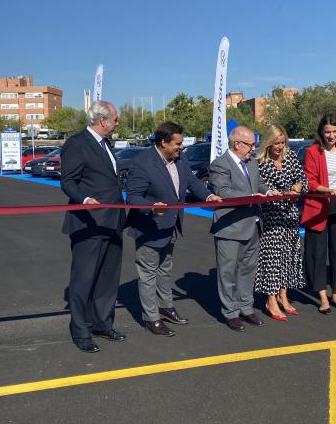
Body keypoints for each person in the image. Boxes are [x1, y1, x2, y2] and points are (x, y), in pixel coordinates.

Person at [125, 121, 222, 336]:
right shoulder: (142, 162)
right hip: (149, 227)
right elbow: (133, 197)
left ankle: (166, 307)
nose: (181, 148)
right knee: (148, 274)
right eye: (177, 144)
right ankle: (152, 318)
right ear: (163, 142)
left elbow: (192, 182)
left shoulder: (180, 158)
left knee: (165, 270)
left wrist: (208, 195)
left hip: (171, 226)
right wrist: (151, 208)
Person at [60, 100, 126, 353]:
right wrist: (85, 199)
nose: (117, 123)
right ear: (102, 121)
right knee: (84, 279)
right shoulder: (77, 144)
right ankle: (81, 330)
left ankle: (102, 323)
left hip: (113, 222)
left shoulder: (106, 144)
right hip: (89, 222)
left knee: (108, 279)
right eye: (115, 119)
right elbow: (68, 181)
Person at [210, 125, 280, 332]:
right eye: (250, 145)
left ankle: (246, 308)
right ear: (237, 144)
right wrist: (251, 198)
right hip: (230, 228)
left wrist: (268, 192)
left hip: (253, 225)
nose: (253, 149)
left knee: (248, 271)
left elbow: (258, 186)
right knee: (228, 273)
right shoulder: (219, 165)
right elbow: (223, 192)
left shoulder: (251, 163)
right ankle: (230, 313)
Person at [300, 115, 336, 315]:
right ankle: (322, 296)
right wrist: (327, 190)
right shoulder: (312, 151)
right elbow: (310, 181)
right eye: (327, 132)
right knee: (317, 253)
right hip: (319, 205)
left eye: (335, 131)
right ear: (321, 133)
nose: (331, 135)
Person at [254, 124, 307, 321]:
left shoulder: (291, 156)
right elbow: (260, 187)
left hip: (291, 215)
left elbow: (303, 178)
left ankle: (284, 296)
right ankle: (271, 300)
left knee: (288, 256)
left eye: (283, 142)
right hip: (271, 216)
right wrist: (275, 194)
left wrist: (299, 186)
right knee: (272, 259)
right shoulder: (259, 162)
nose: (280, 146)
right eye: (276, 143)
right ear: (268, 142)